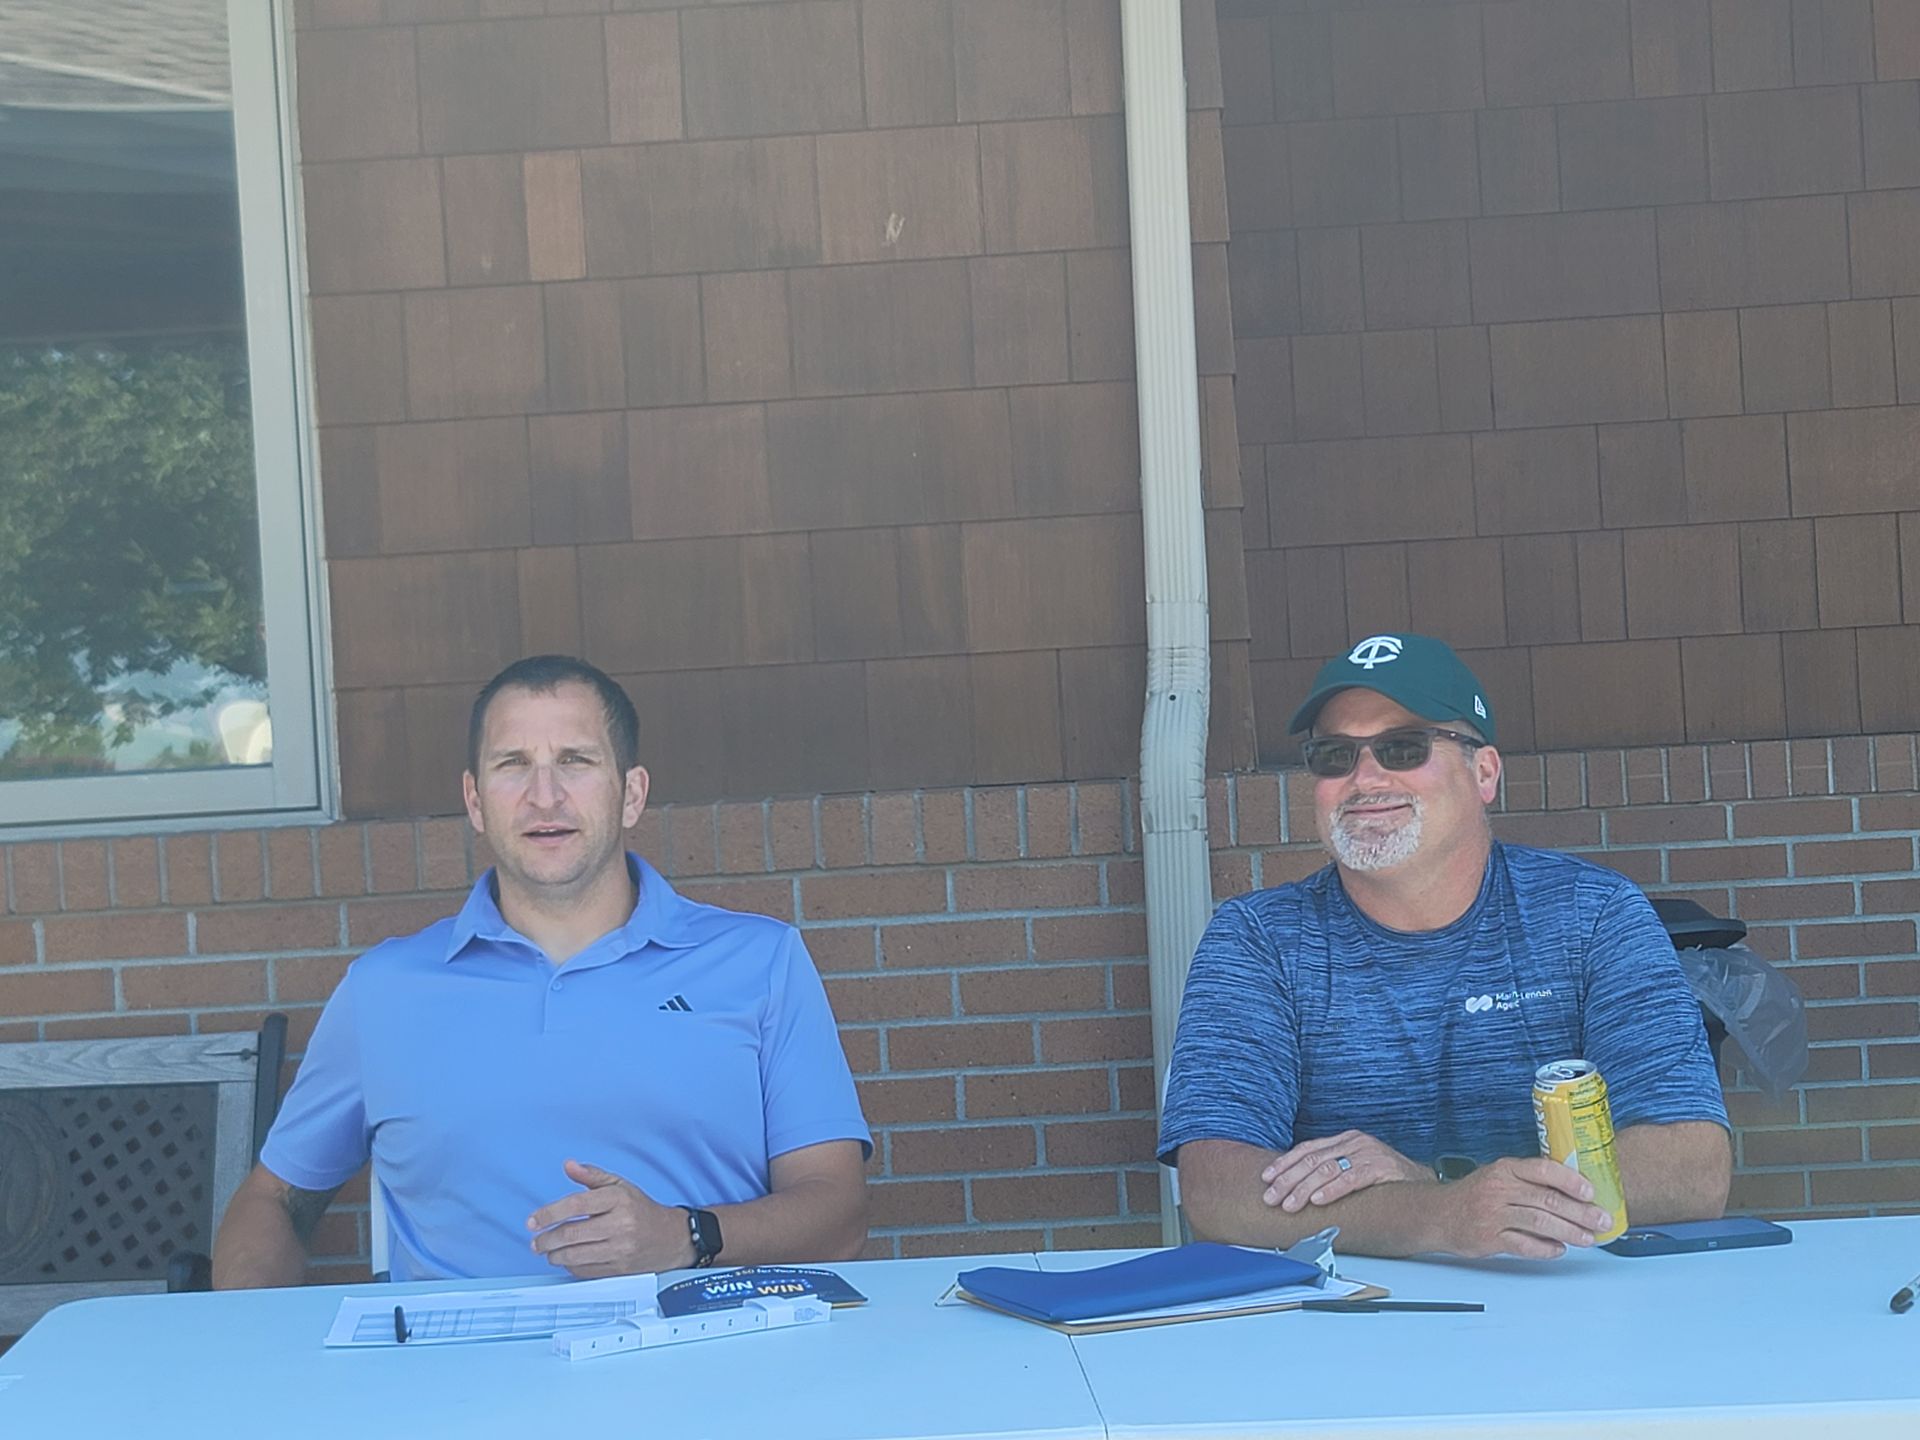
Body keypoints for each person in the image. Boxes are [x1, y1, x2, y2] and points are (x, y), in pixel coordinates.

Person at [213, 655, 870, 1286]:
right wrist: (247, 1333)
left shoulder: (760, 961)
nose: (544, 796)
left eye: (575, 761)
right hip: (458, 1359)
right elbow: (275, 1198)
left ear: (631, 794)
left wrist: (686, 1236)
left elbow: (838, 1217)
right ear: (475, 801)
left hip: (705, 1346)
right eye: (513, 764)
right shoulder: (382, 990)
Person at [1158, 634, 1730, 1260]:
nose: (1364, 778)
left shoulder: (1592, 914)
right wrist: (1440, 1214)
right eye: (1334, 755)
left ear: (1484, 773)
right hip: (1347, 1312)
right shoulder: (1259, 939)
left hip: (1569, 1297)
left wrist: (1442, 1186)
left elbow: (1691, 1168)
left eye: (1403, 747)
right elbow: (1217, 1189)